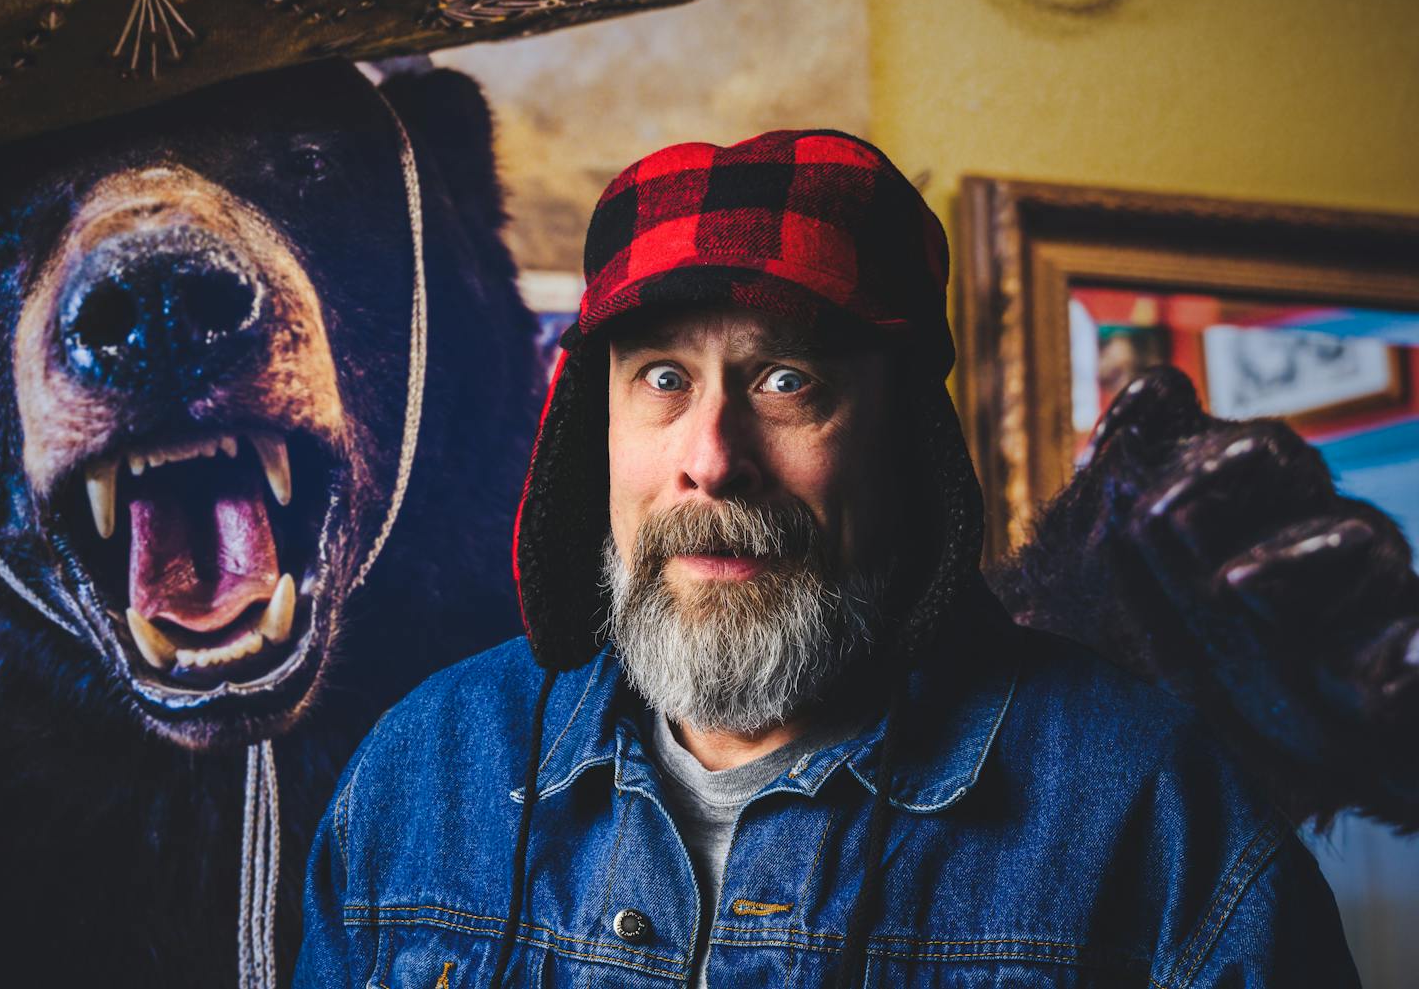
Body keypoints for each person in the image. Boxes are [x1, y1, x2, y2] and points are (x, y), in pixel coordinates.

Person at [295, 130, 1358, 988]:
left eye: (785, 380)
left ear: (903, 440)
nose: (711, 462)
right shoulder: (418, 777)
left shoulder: (1156, 817)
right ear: (594, 433)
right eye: (662, 379)